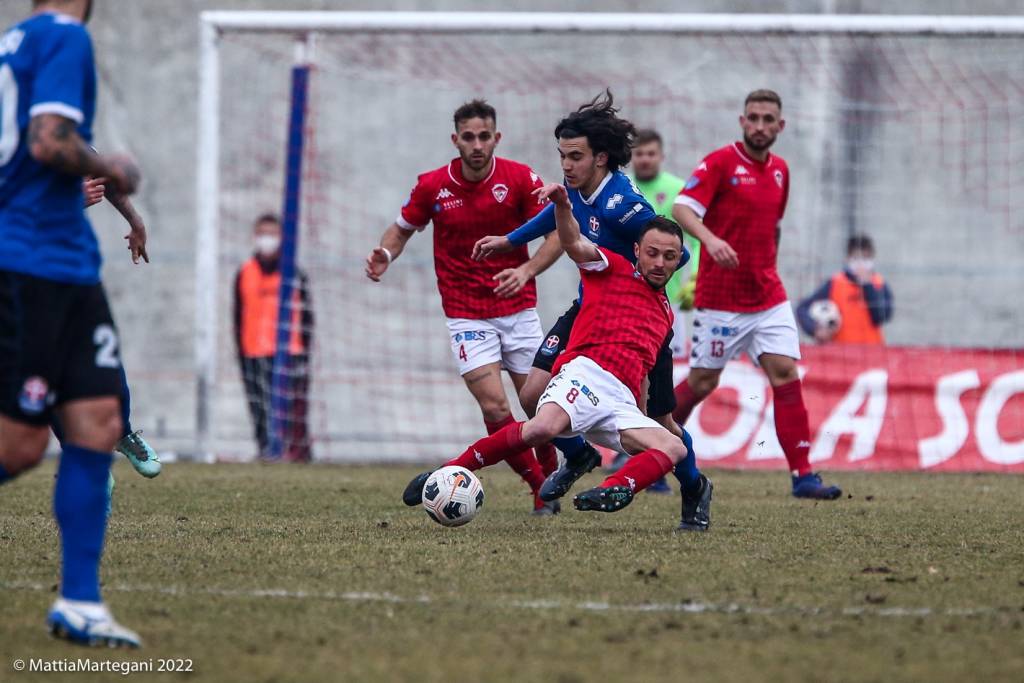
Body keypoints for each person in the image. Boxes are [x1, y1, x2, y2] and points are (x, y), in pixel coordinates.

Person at [471, 92, 712, 531]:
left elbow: (674, 254)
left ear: (600, 158)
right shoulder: (581, 190)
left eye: (575, 156)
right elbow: (557, 216)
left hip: (637, 328)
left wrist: (643, 287)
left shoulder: (623, 204)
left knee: (660, 423)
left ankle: (695, 487)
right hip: (587, 313)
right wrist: (509, 240)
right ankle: (579, 453)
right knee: (531, 396)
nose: (566, 164)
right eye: (562, 155)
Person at [411, 188, 701, 521]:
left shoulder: (666, 313)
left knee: (675, 447)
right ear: (637, 250)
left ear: (679, 260)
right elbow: (573, 243)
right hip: (585, 376)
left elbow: (644, 372)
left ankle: (616, 488)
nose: (660, 263)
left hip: (620, 399)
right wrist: (563, 205)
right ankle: (447, 471)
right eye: (652, 253)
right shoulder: (612, 266)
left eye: (669, 257)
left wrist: (640, 413)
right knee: (540, 429)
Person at [0, 0, 144, 647]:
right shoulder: (65, 37)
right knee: (20, 446)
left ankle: (81, 602)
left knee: (100, 421)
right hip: (31, 263)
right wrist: (113, 167)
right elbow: (48, 140)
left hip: (69, 264)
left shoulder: (14, 42)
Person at [367, 99, 563, 515]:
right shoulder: (432, 185)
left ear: (497, 138)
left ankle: (551, 466)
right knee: (494, 406)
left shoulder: (519, 179)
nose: (477, 145)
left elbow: (560, 234)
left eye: (484, 136)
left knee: (537, 405)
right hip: (465, 313)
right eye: (468, 137)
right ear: (456, 139)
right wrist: (385, 252)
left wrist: (526, 271)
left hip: (518, 310)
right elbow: (401, 230)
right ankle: (537, 485)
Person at [671, 89, 841, 500]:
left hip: (767, 296)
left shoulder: (781, 171)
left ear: (780, 127)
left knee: (785, 375)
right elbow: (682, 208)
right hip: (720, 299)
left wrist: (763, 266)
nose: (761, 126)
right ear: (742, 121)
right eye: (754, 118)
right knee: (702, 381)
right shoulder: (720, 163)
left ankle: (803, 476)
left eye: (769, 119)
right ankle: (647, 446)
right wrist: (710, 241)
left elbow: (773, 228)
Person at [234, 213, 314, 462]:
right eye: (262, 233)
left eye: (272, 234)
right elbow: (237, 314)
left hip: (290, 352)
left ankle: (299, 455)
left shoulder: (294, 273)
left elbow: (307, 317)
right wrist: (241, 351)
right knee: (260, 410)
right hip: (254, 352)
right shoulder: (244, 272)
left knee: (293, 411)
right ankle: (266, 452)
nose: (267, 239)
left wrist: (304, 352)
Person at [796, 233, 893, 344]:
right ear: (848, 258)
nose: (861, 264)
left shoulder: (879, 283)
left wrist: (867, 285)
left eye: (865, 258)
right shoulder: (835, 283)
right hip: (841, 354)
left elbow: (881, 317)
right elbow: (802, 308)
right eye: (856, 258)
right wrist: (815, 329)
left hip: (873, 352)